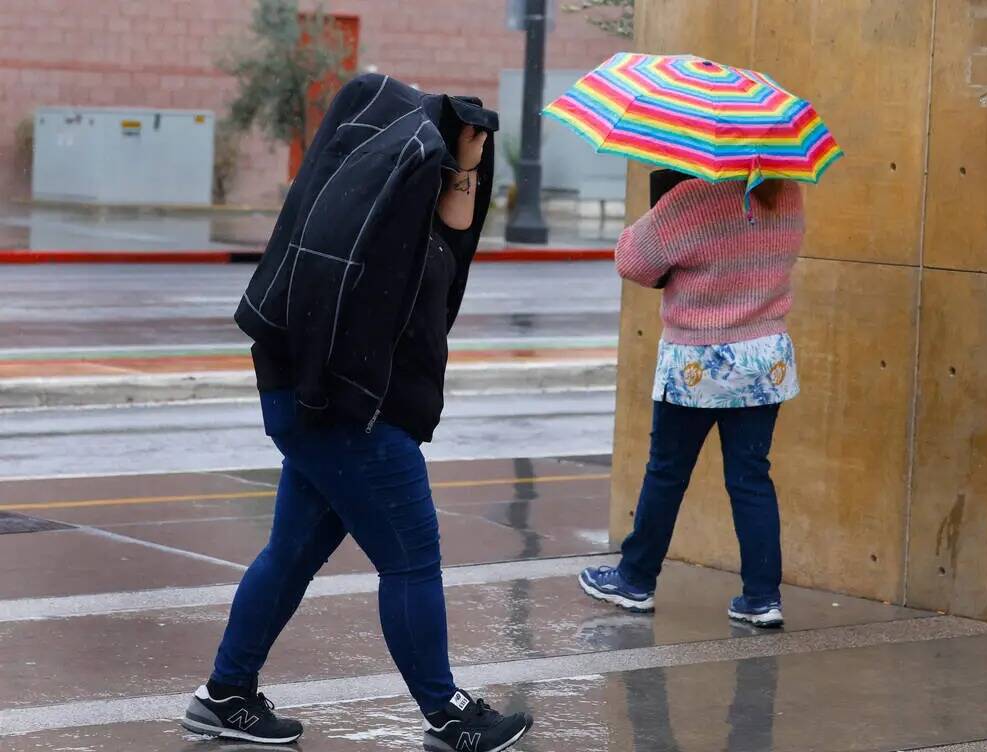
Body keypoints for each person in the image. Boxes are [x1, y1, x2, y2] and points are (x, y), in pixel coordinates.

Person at [181, 74, 533, 751]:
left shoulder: (401, 202)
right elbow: (330, 293)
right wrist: (327, 400)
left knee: (289, 556)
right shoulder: (365, 213)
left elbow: (451, 249)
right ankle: (449, 715)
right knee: (411, 559)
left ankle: (226, 694)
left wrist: (463, 165)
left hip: (336, 409)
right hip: (346, 410)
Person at [579, 170, 805, 628]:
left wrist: (659, 208)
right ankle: (762, 598)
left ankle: (635, 579)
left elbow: (633, 260)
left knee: (667, 471)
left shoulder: (692, 197)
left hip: (697, 362)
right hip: (764, 358)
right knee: (751, 477)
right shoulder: (785, 193)